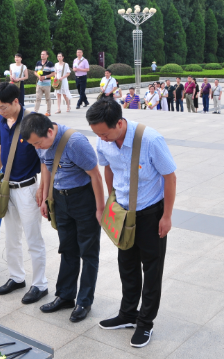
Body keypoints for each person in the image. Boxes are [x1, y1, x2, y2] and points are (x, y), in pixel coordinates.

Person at [86, 100, 176, 348]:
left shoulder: (151, 140)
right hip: (122, 212)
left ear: (120, 123)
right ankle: (127, 314)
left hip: (150, 213)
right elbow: (108, 169)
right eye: (97, 134)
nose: (101, 139)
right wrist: (110, 202)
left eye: (104, 134)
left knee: (152, 270)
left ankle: (145, 323)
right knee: (126, 265)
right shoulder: (103, 140)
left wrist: (167, 216)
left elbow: (170, 178)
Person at [20, 113, 104, 323]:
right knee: (67, 248)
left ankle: (84, 301)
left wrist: (100, 208)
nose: (37, 147)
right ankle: (65, 296)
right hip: (60, 198)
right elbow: (46, 166)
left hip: (83, 198)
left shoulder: (75, 142)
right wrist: (45, 196)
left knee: (88, 252)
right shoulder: (39, 141)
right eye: (33, 145)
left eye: (38, 143)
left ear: (50, 131)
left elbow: (95, 175)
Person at [0, 82, 48, 304]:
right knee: (11, 236)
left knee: (33, 238)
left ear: (16, 101)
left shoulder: (32, 121)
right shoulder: (1, 120)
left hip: (28, 188)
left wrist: (43, 189)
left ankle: (40, 284)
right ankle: (16, 277)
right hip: (7, 187)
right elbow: (1, 150)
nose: (0, 112)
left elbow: (44, 157)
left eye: (3, 107)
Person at [35, 51, 55, 116]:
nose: (42, 55)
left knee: (48, 98)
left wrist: (45, 77)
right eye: (41, 54)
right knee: (38, 98)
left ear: (47, 56)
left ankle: (48, 112)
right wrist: (39, 76)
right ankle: (35, 111)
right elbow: (35, 72)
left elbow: (53, 73)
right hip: (39, 84)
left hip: (47, 84)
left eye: (43, 54)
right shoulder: (38, 63)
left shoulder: (50, 64)